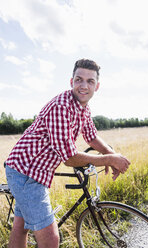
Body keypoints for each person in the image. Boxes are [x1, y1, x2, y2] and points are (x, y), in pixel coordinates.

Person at [5, 59, 130, 248]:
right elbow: (69, 157)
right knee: (51, 239)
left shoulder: (83, 108)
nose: (84, 86)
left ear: (97, 87)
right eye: (79, 79)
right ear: (71, 81)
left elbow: (91, 136)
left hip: (34, 171)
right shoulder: (61, 107)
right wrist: (109, 159)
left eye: (90, 81)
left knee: (21, 227)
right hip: (25, 172)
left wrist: (110, 152)